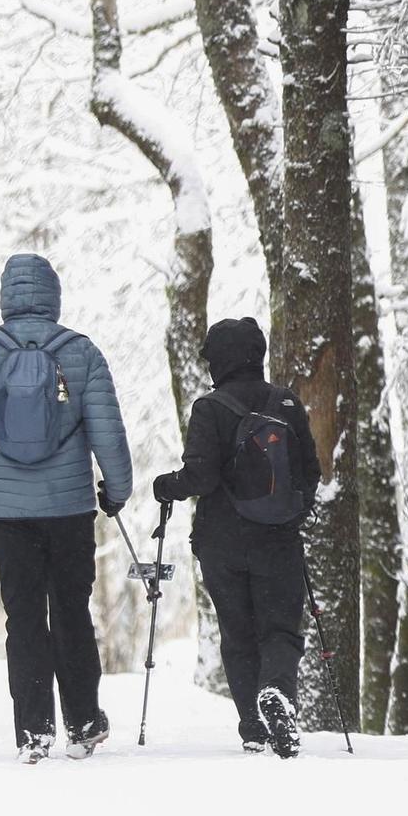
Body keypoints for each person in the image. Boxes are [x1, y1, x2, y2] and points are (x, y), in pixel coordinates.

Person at [0, 253, 132, 763]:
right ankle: (83, 726)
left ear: (6, 297)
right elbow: (108, 433)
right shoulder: (81, 352)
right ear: (54, 297)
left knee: (23, 618)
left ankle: (33, 733)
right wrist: (117, 490)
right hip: (69, 509)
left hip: (8, 513)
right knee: (70, 612)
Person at [152, 317, 319, 758]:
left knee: (238, 633)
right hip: (278, 539)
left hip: (222, 543)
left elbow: (201, 477)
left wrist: (166, 486)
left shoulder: (210, 409)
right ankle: (278, 693)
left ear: (220, 361)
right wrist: (290, 513)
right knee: (280, 629)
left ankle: (253, 726)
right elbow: (310, 473)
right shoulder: (287, 404)